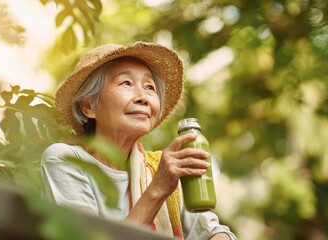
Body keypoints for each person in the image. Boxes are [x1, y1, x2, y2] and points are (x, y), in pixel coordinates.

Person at [41, 42, 237, 240]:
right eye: (126, 83)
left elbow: (213, 231)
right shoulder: (65, 159)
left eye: (149, 87)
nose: (143, 97)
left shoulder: (160, 168)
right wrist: (158, 189)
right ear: (88, 106)